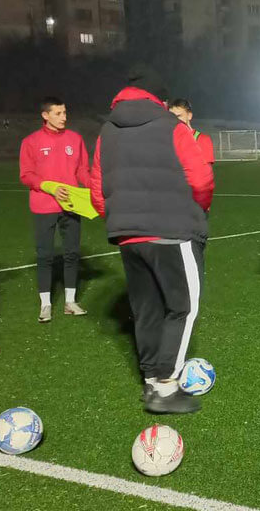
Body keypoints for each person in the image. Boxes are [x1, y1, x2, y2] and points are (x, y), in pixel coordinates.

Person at [89, 67, 214, 413]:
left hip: (128, 235)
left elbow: (97, 188)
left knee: (146, 309)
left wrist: (121, 218)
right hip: (173, 231)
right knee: (183, 307)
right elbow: (201, 178)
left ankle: (150, 381)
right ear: (160, 99)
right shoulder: (171, 126)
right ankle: (166, 386)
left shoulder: (106, 131)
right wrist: (198, 211)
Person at [19, 97, 90, 323]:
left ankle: (70, 302)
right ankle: (46, 304)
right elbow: (26, 175)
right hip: (44, 205)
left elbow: (82, 170)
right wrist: (50, 188)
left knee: (72, 253)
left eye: (65, 112)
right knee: (45, 255)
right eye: (58, 113)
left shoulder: (75, 139)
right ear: (45, 115)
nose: (64, 117)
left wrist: (93, 188)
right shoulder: (31, 141)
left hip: (72, 205)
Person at [168, 98, 215, 166]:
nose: (175, 120)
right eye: (171, 117)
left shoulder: (202, 139)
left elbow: (206, 170)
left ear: (189, 116)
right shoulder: (167, 140)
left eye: (179, 116)